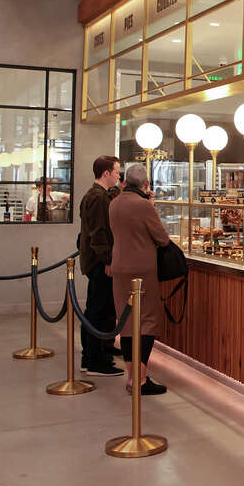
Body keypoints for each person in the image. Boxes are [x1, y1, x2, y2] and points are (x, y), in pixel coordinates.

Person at [108, 163, 171, 396]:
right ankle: (141, 380)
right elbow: (162, 239)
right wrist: (151, 206)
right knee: (146, 322)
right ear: (145, 184)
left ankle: (131, 376)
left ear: (124, 181)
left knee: (126, 323)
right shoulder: (143, 206)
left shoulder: (114, 203)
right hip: (142, 271)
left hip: (120, 267)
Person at [77, 156, 124, 377]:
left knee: (102, 309)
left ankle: (100, 352)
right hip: (99, 263)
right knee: (97, 309)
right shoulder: (97, 199)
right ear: (106, 173)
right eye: (116, 172)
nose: (118, 175)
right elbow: (99, 233)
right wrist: (107, 260)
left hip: (97, 261)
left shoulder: (99, 195)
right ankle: (92, 359)